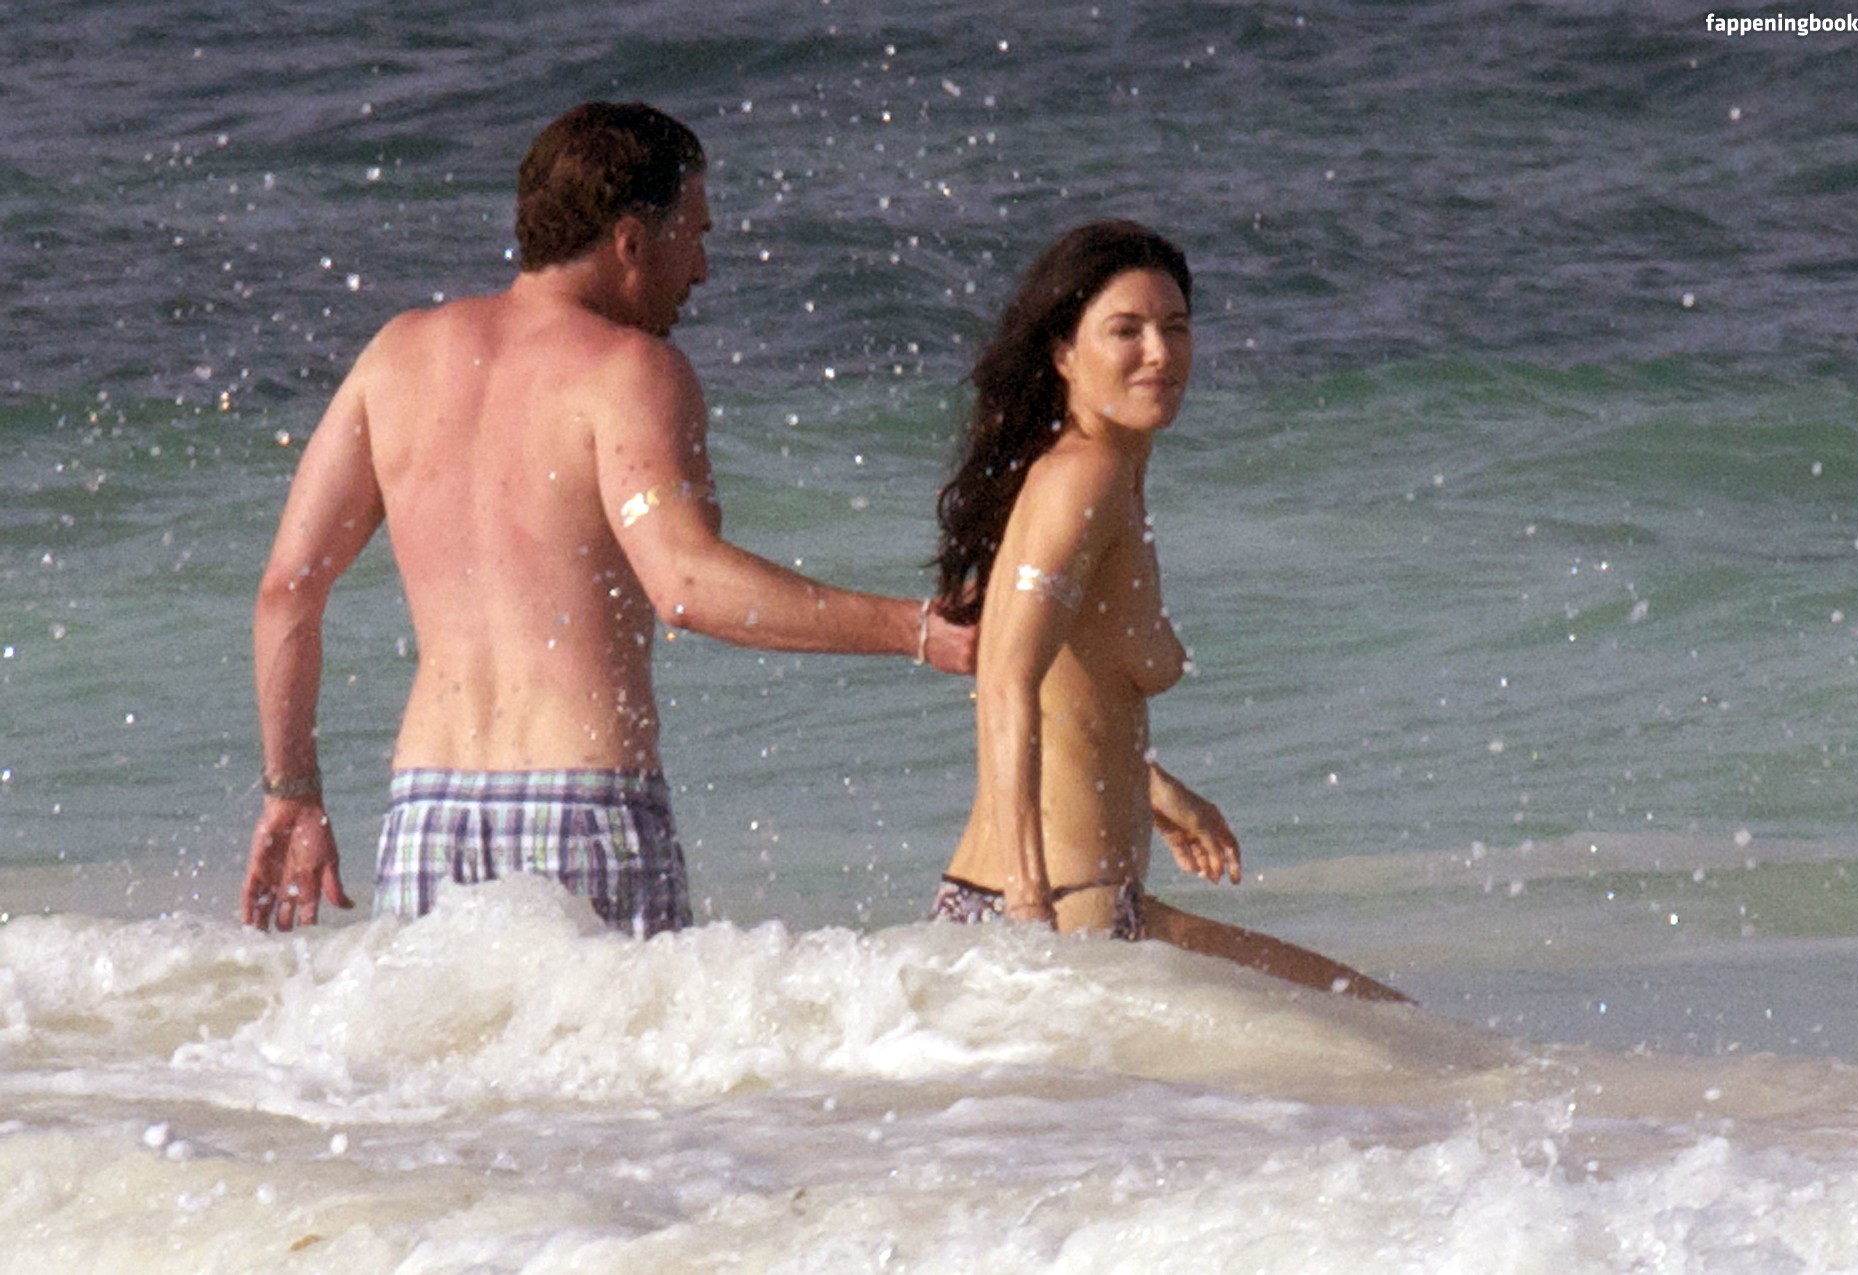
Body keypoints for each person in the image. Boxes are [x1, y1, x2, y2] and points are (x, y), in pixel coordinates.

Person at [244, 100, 972, 934]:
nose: (702, 270)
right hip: (584, 807)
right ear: (631, 240)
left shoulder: (396, 355)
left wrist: (292, 793)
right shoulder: (633, 370)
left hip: (426, 814)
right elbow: (686, 583)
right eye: (695, 235)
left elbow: (287, 589)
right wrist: (914, 629)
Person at [929, 221, 1405, 1001]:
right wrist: (1028, 909)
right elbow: (1006, 677)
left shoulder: (1101, 472)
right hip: (1060, 918)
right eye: (1127, 330)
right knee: (1390, 1027)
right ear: (1063, 353)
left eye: (1175, 327)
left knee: (1377, 1031)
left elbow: (1064, 681)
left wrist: (1152, 786)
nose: (1160, 352)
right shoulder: (1085, 476)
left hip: (1053, 911)